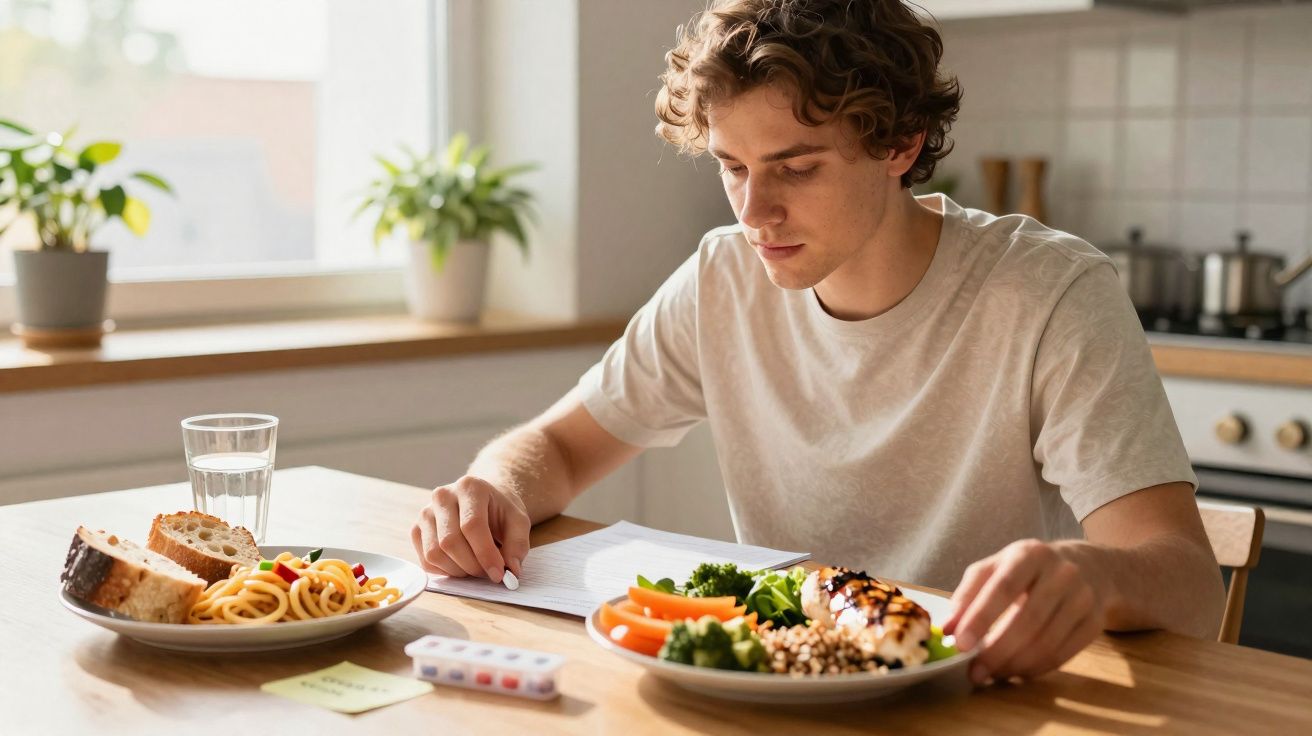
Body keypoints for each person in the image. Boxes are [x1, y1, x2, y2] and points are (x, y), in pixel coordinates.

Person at [412, 0, 1224, 685]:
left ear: (900, 146)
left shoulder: (1049, 292)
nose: (753, 212)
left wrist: (1094, 573)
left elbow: (1190, 584)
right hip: (775, 689)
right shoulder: (722, 277)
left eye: (795, 169)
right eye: (732, 167)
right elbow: (556, 447)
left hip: (975, 697)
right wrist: (492, 490)